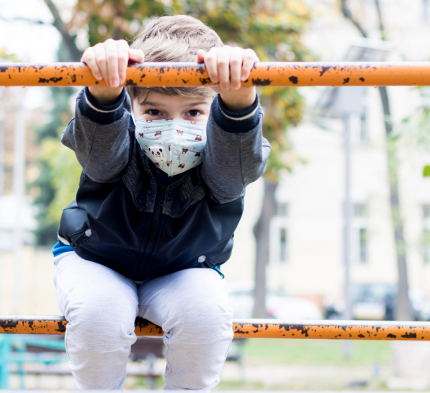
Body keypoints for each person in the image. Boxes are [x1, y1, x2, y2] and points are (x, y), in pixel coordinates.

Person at [52, 15, 270, 390]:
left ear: (214, 109)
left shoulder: (224, 152)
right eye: (154, 111)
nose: (174, 128)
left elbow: (233, 171)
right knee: (101, 314)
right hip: (97, 257)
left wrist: (238, 100)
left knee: (207, 317)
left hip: (183, 266)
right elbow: (99, 154)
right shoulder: (119, 138)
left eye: (194, 112)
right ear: (133, 108)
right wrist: (105, 90)